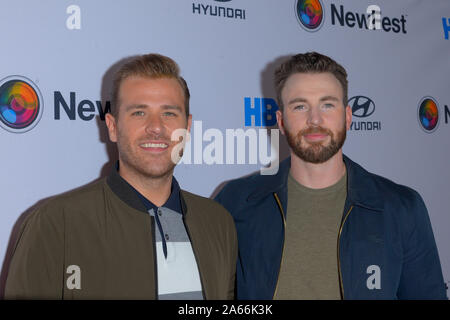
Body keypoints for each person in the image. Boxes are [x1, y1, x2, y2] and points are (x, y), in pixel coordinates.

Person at [215, 52, 447, 300]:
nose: (315, 119)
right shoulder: (237, 202)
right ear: (281, 122)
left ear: (347, 117)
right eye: (300, 106)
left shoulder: (401, 207)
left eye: (327, 105)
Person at [5, 53, 237, 300]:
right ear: (113, 127)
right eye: (139, 113)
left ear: (187, 128)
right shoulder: (54, 224)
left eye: (169, 113)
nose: (156, 127)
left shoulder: (218, 223)